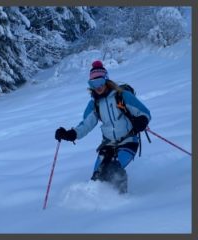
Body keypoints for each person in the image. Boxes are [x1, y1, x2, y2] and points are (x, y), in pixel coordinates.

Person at [54, 60, 151, 194]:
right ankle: (99, 207)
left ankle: (122, 202)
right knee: (97, 177)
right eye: (93, 84)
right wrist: (70, 134)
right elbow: (86, 125)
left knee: (114, 170)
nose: (97, 86)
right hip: (108, 145)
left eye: (100, 82)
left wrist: (142, 120)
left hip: (128, 141)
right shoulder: (94, 104)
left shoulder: (122, 96)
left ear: (106, 80)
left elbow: (144, 112)